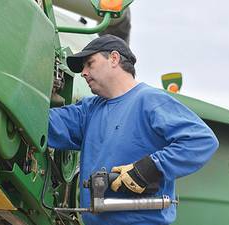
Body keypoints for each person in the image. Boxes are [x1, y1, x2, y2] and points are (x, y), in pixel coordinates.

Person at [48, 34, 219, 225]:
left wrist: (152, 167)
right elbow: (45, 121)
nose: (84, 73)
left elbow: (201, 140)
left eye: (90, 63)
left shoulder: (150, 100)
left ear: (114, 58)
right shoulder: (90, 110)